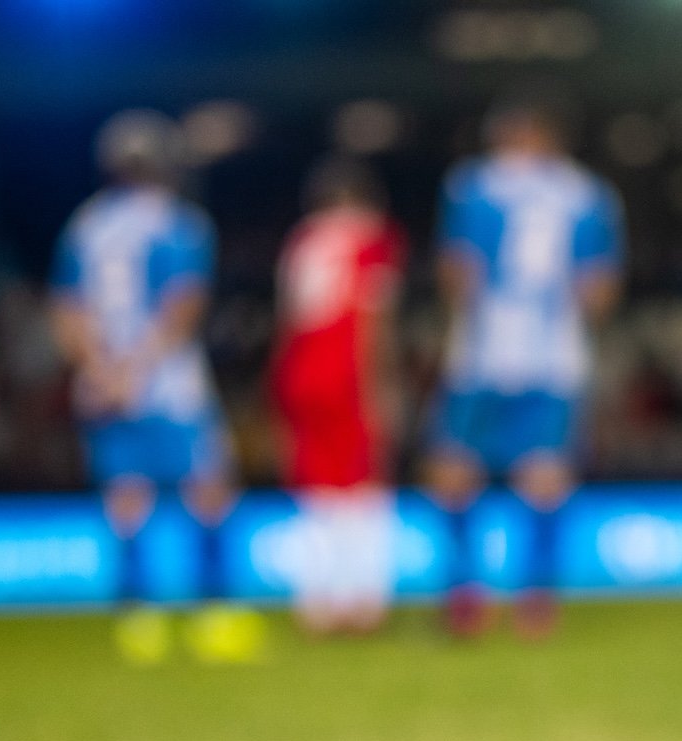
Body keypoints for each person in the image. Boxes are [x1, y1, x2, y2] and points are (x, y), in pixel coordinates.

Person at [52, 110, 260, 665]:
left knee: (126, 495)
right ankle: (215, 614)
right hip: (168, 384)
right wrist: (136, 367)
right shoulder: (180, 222)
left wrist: (100, 368)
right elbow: (183, 304)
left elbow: (67, 310)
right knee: (209, 488)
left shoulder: (86, 226)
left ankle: (137, 621)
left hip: (103, 382)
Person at [426, 94, 624, 638]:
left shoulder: (473, 184)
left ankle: (465, 595)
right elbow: (599, 288)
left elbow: (457, 269)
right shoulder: (586, 192)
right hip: (554, 353)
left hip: (484, 348)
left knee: (454, 468)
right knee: (545, 474)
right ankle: (536, 601)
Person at [271, 159, 406, 635]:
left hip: (301, 372)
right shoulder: (372, 238)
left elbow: (288, 317)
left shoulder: (302, 240)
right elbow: (373, 317)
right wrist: (379, 385)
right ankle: (362, 602)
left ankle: (317, 604)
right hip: (346, 371)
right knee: (364, 485)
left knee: (316, 489)